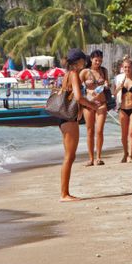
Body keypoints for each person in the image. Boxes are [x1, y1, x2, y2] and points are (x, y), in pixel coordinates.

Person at [58, 49, 98, 201]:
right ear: (78, 61)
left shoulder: (67, 74)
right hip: (69, 118)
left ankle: (65, 193)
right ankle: (64, 194)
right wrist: (92, 106)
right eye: (83, 60)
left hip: (65, 117)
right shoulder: (74, 74)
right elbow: (79, 96)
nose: (85, 63)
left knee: (69, 156)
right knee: (69, 156)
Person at [81, 50, 110, 166]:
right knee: (90, 131)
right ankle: (90, 158)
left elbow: (107, 82)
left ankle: (98, 157)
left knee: (99, 131)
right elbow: (76, 87)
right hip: (88, 104)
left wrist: (107, 84)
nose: (98, 62)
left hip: (101, 103)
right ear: (91, 59)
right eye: (96, 60)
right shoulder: (84, 72)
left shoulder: (104, 71)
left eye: (100, 60)